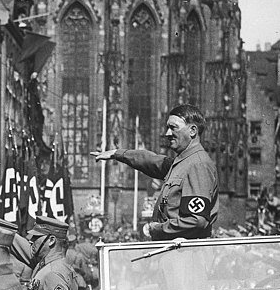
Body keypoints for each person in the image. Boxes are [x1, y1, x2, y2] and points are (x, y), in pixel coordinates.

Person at [91, 103, 219, 240]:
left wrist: (157, 228)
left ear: (192, 131)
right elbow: (152, 161)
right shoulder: (183, 162)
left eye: (173, 128)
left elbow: (196, 220)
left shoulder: (197, 165)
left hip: (185, 254)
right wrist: (117, 153)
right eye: (167, 128)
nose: (167, 133)